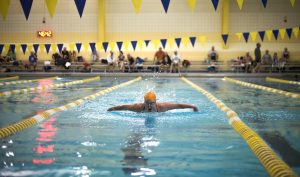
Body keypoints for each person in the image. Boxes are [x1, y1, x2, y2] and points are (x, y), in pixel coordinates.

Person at [107, 91, 198, 112]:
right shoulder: (138, 107)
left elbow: (178, 105)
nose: (149, 106)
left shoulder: (162, 107)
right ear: (144, 102)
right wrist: (113, 108)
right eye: (147, 103)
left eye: (152, 103)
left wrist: (192, 106)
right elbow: (124, 107)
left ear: (156, 101)